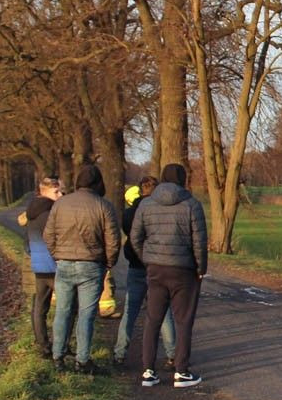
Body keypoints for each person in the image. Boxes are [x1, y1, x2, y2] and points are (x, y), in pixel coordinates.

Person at [131, 163, 207, 388]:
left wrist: (147, 258)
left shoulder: (146, 204)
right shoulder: (192, 204)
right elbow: (199, 242)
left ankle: (148, 371)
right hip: (184, 270)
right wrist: (200, 269)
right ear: (183, 179)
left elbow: (135, 237)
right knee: (183, 321)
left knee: (152, 319)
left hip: (155, 268)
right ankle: (181, 371)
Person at [43, 163, 121, 374]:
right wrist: (108, 263)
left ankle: (58, 357)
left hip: (64, 264)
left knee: (62, 311)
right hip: (92, 265)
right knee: (87, 315)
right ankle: (82, 360)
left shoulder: (61, 204)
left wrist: (57, 255)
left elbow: (48, 235)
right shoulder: (104, 206)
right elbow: (113, 241)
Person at [113, 176, 177, 369]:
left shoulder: (130, 213)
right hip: (158, 267)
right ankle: (172, 355)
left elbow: (128, 233)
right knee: (164, 312)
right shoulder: (164, 211)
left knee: (130, 312)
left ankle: (119, 353)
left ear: (140, 190)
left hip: (136, 266)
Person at [23, 176, 63, 356]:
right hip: (55, 266)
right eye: (57, 192)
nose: (60, 195)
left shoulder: (31, 213)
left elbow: (27, 243)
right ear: (46, 192)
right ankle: (60, 345)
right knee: (67, 306)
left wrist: (36, 257)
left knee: (40, 307)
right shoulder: (51, 213)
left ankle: (43, 345)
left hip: (39, 266)